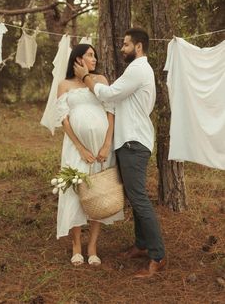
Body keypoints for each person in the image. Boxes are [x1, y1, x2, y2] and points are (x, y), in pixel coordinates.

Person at [74, 28, 166, 278]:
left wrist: (85, 78)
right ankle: (141, 244)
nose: (122, 48)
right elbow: (115, 99)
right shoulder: (136, 70)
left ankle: (157, 256)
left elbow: (109, 93)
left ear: (138, 47)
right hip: (130, 142)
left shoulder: (138, 69)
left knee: (139, 199)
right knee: (135, 198)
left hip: (134, 143)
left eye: (125, 45)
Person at [56, 43, 124, 266]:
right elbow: (64, 119)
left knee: (98, 193)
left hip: (101, 149)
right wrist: (81, 148)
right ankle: (76, 245)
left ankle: (92, 246)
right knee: (75, 192)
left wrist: (106, 144)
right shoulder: (64, 84)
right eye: (90, 55)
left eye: (95, 55)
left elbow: (111, 112)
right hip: (77, 148)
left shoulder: (101, 81)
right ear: (77, 59)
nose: (94, 59)